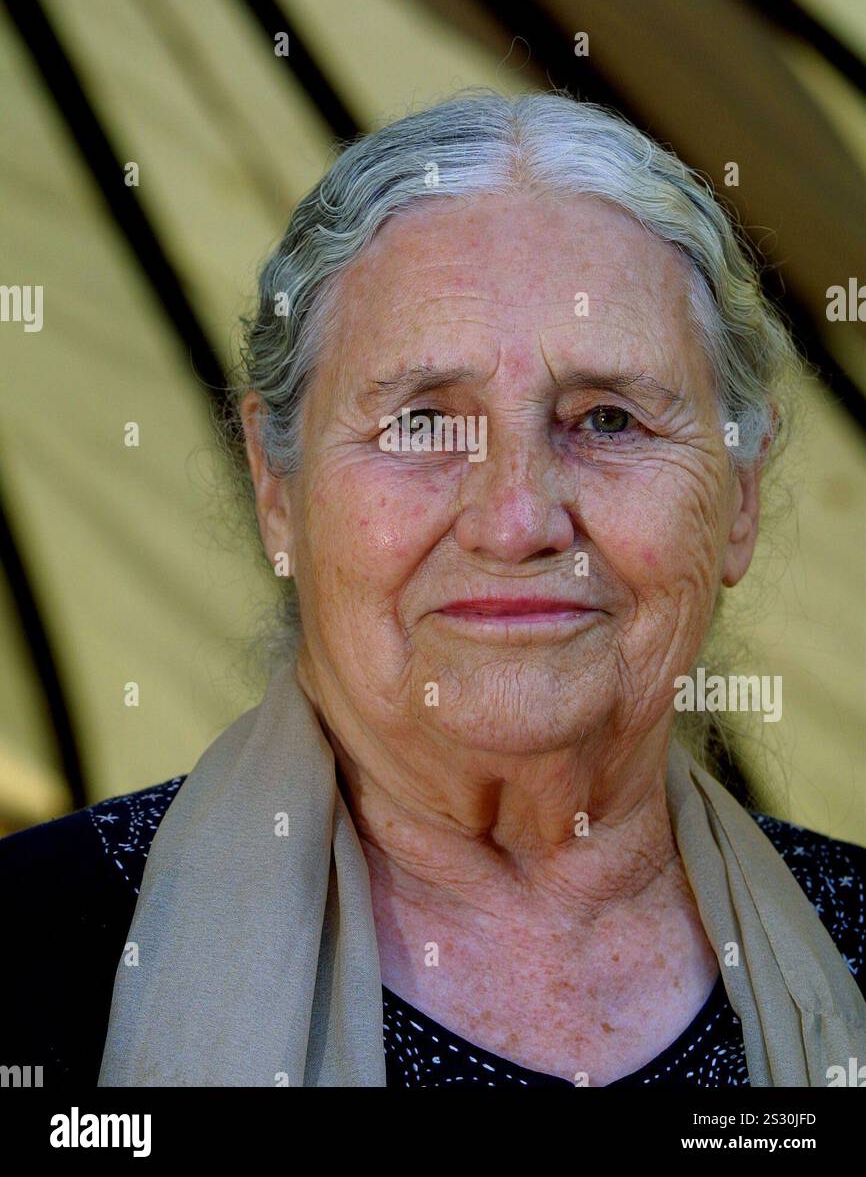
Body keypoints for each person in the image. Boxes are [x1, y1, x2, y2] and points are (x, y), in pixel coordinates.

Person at [3, 90, 865, 1088]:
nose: (514, 521)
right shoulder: (33, 950)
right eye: (422, 424)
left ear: (740, 497)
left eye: (608, 421)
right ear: (276, 489)